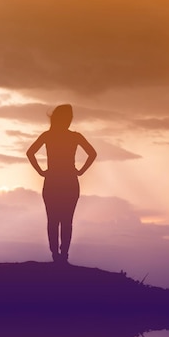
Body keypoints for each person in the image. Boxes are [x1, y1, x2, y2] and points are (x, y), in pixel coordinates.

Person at [26, 104, 97, 263]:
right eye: (68, 117)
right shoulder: (74, 137)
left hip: (53, 180)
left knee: (54, 220)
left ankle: (58, 257)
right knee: (65, 221)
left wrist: (41, 171)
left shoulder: (48, 136)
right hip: (68, 181)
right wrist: (81, 170)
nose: (70, 120)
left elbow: (30, 153)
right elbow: (92, 154)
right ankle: (62, 257)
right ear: (63, 119)